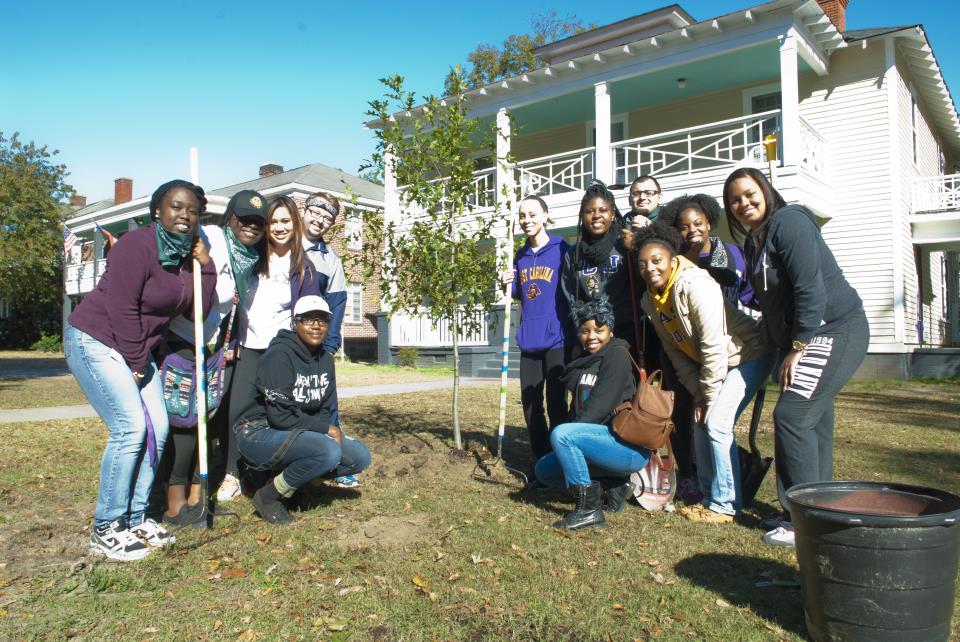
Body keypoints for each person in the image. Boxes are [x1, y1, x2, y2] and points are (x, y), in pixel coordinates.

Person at [64, 179, 216, 560]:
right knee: (130, 429)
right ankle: (107, 526)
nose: (184, 215)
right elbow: (122, 308)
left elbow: (198, 311)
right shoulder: (137, 245)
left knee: (158, 428)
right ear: (157, 212)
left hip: (135, 349)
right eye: (176, 207)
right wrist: (135, 361)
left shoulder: (185, 257)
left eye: (192, 210)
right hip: (96, 339)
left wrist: (206, 265)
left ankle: (135, 518)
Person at [723, 167, 869, 547]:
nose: (743, 203)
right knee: (813, 417)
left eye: (749, 193)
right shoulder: (756, 241)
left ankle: (799, 518)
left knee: (793, 415)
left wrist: (799, 347)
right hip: (805, 336)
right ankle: (819, 506)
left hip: (832, 328)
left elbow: (810, 288)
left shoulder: (789, 223)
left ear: (766, 191)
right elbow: (768, 300)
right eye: (735, 199)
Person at [635, 223, 773, 523]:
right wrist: (699, 393)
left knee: (718, 423)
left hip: (748, 354)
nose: (650, 268)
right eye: (643, 264)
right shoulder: (650, 299)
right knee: (701, 422)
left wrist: (708, 396)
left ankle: (726, 505)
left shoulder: (696, 285)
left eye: (657, 261)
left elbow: (713, 345)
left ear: (672, 261)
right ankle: (710, 496)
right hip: (717, 363)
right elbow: (675, 351)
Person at [161, 189, 266, 523]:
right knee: (184, 422)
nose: (251, 227)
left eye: (257, 223)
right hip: (181, 340)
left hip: (213, 348)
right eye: (244, 219)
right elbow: (181, 230)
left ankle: (198, 498)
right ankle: (174, 504)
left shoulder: (250, 260)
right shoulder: (214, 237)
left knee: (206, 420)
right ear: (229, 218)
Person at [234, 295, 371, 524]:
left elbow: (325, 408)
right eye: (308, 319)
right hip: (258, 432)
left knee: (358, 457)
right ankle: (268, 496)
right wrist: (328, 431)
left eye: (323, 320)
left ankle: (298, 488)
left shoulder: (325, 360)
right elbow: (280, 416)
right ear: (295, 322)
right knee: (327, 451)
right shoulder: (279, 355)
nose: (316, 325)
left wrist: (329, 430)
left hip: (295, 430)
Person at [534, 296, 650, 532]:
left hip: (625, 446)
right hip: (597, 442)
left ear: (610, 330)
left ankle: (588, 509)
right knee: (543, 470)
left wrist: (569, 435)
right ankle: (613, 484)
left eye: (599, 330)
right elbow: (577, 407)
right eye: (585, 331)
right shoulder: (584, 361)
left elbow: (600, 405)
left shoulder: (617, 354)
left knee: (563, 435)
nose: (591, 336)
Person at [228, 196, 320, 490]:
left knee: (275, 415)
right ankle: (232, 472)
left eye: (285, 221)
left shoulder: (303, 267)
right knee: (237, 411)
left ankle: (266, 471)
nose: (279, 228)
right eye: (273, 222)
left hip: (278, 353)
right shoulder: (249, 256)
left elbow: (308, 316)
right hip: (246, 346)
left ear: (295, 224)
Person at [500, 195, 573, 461]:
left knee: (556, 404)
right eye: (522, 215)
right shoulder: (519, 256)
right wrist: (506, 283)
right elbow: (523, 292)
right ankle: (541, 457)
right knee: (531, 404)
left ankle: (560, 457)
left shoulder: (562, 249)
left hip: (557, 339)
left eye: (532, 214)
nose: (526, 220)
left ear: (545, 216)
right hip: (529, 340)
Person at [562, 181, 638, 356]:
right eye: (589, 211)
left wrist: (634, 249)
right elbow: (571, 296)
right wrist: (580, 331)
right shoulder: (573, 254)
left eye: (603, 210)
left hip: (624, 330)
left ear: (612, 215)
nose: (596, 215)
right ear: (582, 216)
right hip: (591, 335)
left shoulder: (624, 246)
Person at [658, 193, 755, 309]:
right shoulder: (674, 262)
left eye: (698, 223)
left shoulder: (735, 252)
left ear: (708, 224)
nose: (692, 230)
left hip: (731, 324)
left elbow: (751, 295)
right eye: (684, 228)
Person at [300, 192, 347, 357]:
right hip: (266, 340)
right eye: (315, 213)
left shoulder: (331, 261)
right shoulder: (279, 245)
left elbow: (336, 306)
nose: (319, 221)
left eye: (327, 218)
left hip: (308, 347)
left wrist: (329, 350)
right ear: (303, 211)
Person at [620, 174, 663, 250]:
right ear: (630, 200)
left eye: (649, 193)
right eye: (636, 194)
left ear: (659, 197)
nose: (642, 197)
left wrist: (650, 229)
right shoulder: (620, 224)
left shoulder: (671, 219)